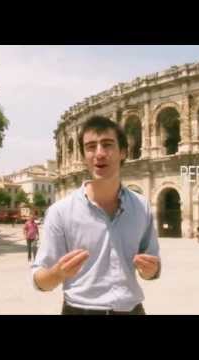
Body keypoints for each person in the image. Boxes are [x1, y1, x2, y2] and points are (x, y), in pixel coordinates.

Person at [31, 116, 161, 315]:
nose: (99, 154)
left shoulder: (141, 207)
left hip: (132, 309)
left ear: (123, 152)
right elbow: (40, 281)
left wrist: (151, 271)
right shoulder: (60, 212)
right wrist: (57, 273)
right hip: (80, 310)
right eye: (91, 147)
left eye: (107, 145)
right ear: (83, 157)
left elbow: (153, 265)